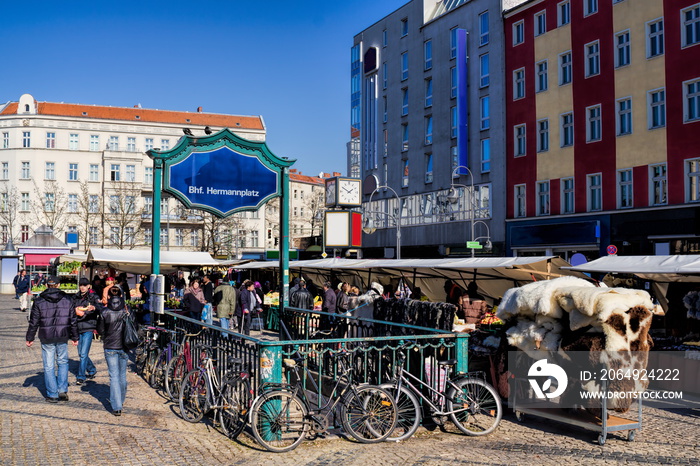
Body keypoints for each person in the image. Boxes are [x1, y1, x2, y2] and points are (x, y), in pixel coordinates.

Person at [25, 276, 78, 403]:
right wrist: (75, 336)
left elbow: (34, 322)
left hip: (46, 336)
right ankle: (62, 390)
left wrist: (29, 337)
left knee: (49, 365)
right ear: (58, 285)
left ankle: (52, 394)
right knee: (63, 362)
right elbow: (73, 320)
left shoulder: (39, 301)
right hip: (62, 335)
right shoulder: (68, 299)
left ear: (47, 285)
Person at [100, 293, 130, 416]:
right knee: (122, 375)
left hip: (110, 346)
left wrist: (106, 336)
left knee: (114, 376)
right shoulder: (126, 311)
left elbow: (101, 329)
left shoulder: (105, 312)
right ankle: (120, 400)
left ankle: (117, 406)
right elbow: (135, 327)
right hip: (124, 345)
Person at [72, 277, 103, 385]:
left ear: (89, 286)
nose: (82, 287)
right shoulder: (75, 297)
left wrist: (94, 308)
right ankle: (92, 370)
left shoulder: (93, 296)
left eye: (84, 285)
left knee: (83, 354)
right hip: (78, 327)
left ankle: (81, 376)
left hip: (88, 327)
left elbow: (100, 306)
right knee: (81, 353)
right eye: (81, 285)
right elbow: (72, 309)